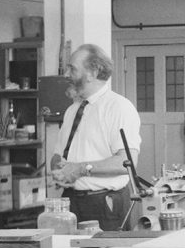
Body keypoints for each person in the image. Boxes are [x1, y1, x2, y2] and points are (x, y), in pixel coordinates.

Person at [50, 44, 141, 231]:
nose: (66, 74)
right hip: (71, 202)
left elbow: (127, 162)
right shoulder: (72, 110)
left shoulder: (118, 107)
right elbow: (58, 155)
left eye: (72, 68)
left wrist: (80, 169)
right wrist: (58, 168)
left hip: (104, 205)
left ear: (92, 72)